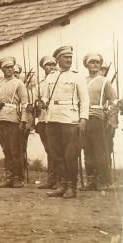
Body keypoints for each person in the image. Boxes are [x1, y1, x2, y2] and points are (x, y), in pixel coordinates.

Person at [41, 45, 89, 199]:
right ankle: (61, 185)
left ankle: (71, 187)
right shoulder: (51, 77)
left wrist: (83, 119)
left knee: (70, 155)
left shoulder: (77, 77)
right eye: (65, 57)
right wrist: (42, 101)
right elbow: (45, 97)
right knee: (56, 154)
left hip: (70, 119)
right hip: (52, 119)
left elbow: (85, 100)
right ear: (58, 59)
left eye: (70, 57)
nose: (69, 60)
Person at [0, 57, 29, 188]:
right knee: (6, 150)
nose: (10, 69)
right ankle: (9, 177)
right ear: (2, 69)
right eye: (7, 67)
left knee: (15, 150)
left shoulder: (19, 83)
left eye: (12, 67)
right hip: (0, 119)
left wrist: (23, 120)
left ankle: (18, 178)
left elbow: (25, 103)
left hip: (13, 119)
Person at [82, 53, 117, 191]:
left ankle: (102, 180)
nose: (95, 64)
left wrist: (112, 120)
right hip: (84, 118)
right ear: (87, 65)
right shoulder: (82, 80)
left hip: (98, 118)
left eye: (97, 62)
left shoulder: (105, 82)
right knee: (87, 150)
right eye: (92, 62)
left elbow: (114, 102)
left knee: (100, 151)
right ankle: (91, 180)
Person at [35, 56, 58, 189]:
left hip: (54, 119)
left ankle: (59, 179)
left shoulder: (58, 80)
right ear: (43, 67)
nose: (51, 67)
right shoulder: (41, 83)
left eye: (53, 64)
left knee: (56, 150)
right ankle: (51, 179)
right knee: (49, 149)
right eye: (48, 65)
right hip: (43, 119)